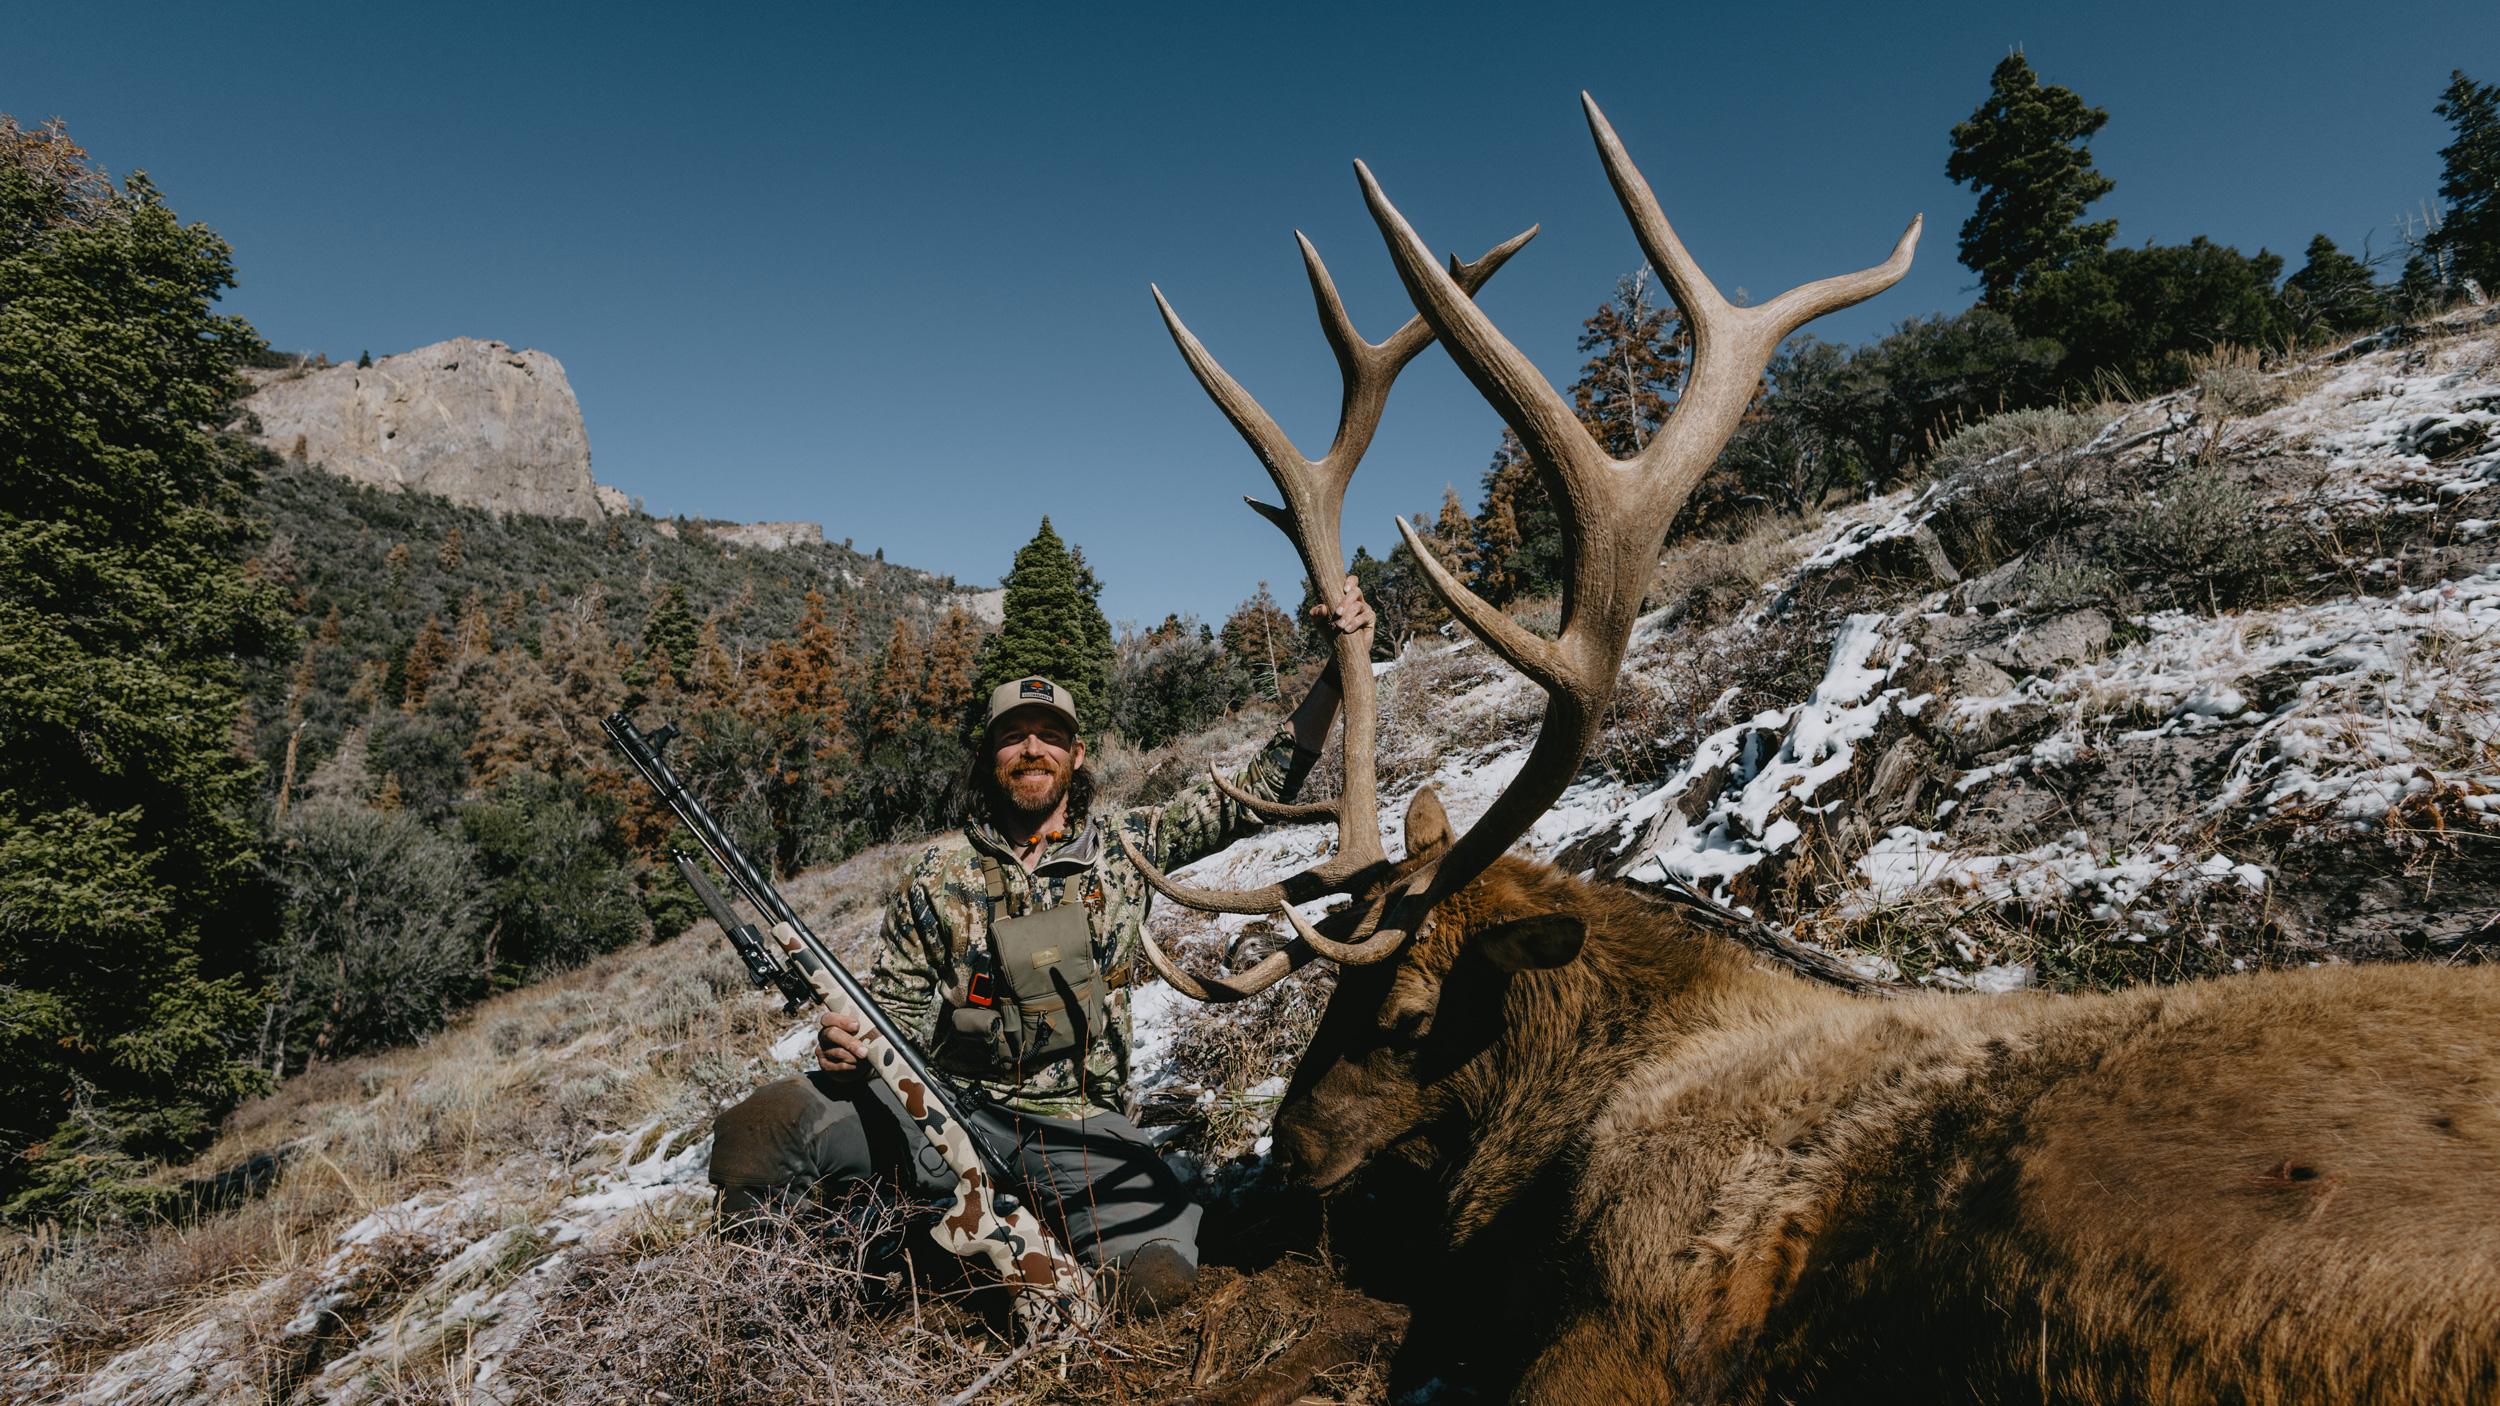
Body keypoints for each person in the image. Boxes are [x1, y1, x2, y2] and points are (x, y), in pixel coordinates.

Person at [708, 577, 1374, 1314]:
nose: (1032, 749)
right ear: (990, 753)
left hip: (1079, 1127)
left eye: (1049, 736)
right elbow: (885, 1017)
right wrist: (844, 1044)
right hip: (946, 1109)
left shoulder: (1130, 846)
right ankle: (767, 1323)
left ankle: (960, 1253)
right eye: (1014, 735)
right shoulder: (935, 876)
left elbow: (1257, 786)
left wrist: (1336, 667)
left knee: (1156, 1279)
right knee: (761, 1130)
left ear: (1077, 754)